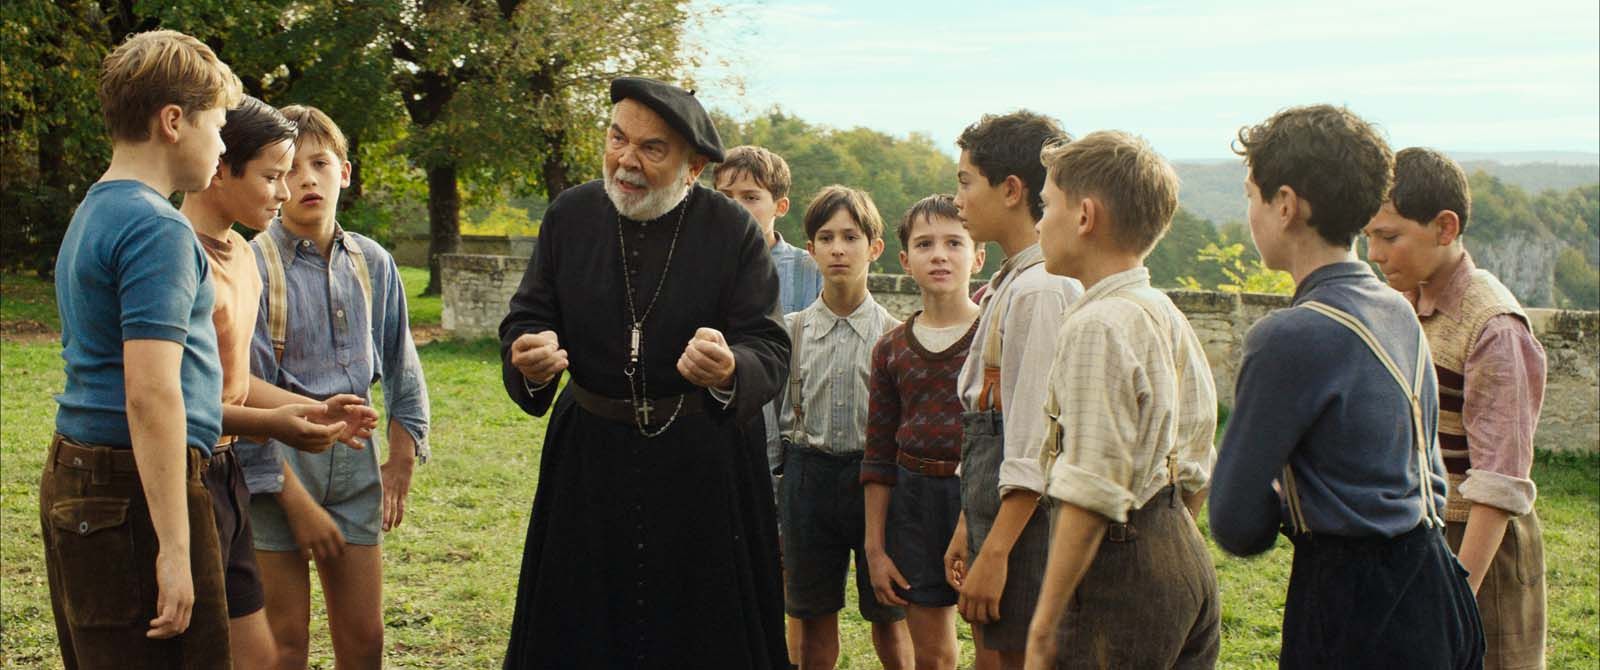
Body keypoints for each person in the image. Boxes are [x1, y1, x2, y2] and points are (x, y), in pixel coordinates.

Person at [498, 77, 790, 668]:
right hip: (589, 461)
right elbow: (527, 316)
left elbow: (768, 345)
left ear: (694, 168)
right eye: (617, 138)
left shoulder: (732, 230)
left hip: (702, 465)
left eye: (651, 148)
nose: (626, 160)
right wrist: (530, 355)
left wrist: (730, 368)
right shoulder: (570, 215)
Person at [1208, 104, 1484, 669]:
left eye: (1252, 196)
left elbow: (1236, 523)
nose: (1250, 212)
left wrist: (1289, 502)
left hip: (1353, 608)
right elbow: (1426, 478)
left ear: (1286, 205)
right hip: (1437, 586)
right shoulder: (1398, 310)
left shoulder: (1288, 336)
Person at [42, 29, 240, 669]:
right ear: (173, 121)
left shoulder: (96, 210)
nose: (223, 146)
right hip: (134, 489)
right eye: (218, 126)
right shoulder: (157, 227)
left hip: (85, 479)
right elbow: (151, 393)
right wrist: (174, 550)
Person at [177, 95, 382, 669]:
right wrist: (285, 433)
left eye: (311, 167)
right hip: (212, 468)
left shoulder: (245, 256)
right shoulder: (193, 249)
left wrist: (321, 413)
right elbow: (178, 397)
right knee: (266, 647)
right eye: (276, 175)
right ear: (224, 167)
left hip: (264, 463)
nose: (291, 188)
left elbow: (235, 385)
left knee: (309, 646)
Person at [240, 104, 431, 669]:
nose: (306, 180)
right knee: (284, 642)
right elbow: (242, 394)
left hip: (354, 465)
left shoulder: (372, 261)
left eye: (320, 164)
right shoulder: (253, 264)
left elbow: (401, 363)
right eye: (289, 168)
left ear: (344, 172)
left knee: (365, 638)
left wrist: (401, 459)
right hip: (275, 465)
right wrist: (294, 500)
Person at [1022, 131, 1220, 669]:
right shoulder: (1162, 309)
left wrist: (1043, 626)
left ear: (1085, 216)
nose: (1039, 223)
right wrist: (1165, 541)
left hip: (1116, 571)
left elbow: (1091, 486)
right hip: (1178, 550)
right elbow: (1200, 454)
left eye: (1046, 205)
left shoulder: (1099, 325)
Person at [1365, 147, 1548, 669]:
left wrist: (1458, 593)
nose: (1374, 253)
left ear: (1445, 227)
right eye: (1368, 235)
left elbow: (1499, 484)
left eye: (1389, 237)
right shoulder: (1405, 303)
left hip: (1479, 547)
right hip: (1420, 535)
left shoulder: (1494, 327)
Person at [942, 111, 1079, 670]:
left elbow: (1032, 442)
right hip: (992, 503)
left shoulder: (1040, 289)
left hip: (1022, 525)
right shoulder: (1012, 281)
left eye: (966, 181)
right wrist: (966, 525)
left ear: (1012, 190)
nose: (958, 199)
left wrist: (996, 552)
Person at [776, 185, 912, 669]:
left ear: (874, 248)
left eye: (851, 237)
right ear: (810, 249)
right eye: (826, 237)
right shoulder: (790, 330)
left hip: (877, 482)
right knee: (812, 618)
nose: (838, 249)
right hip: (806, 479)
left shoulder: (896, 336)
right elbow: (774, 421)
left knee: (890, 615)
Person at [860, 194, 985, 670]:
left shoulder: (994, 337)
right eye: (925, 244)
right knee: (932, 654)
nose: (939, 255)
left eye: (954, 243)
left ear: (977, 257)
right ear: (904, 259)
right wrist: (875, 548)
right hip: (912, 503)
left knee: (993, 645)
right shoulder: (890, 348)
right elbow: (878, 454)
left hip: (979, 497)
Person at [712, 143, 823, 667]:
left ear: (779, 205)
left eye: (750, 197)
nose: (737, 207)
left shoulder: (807, 270)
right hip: (722, 432)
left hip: (790, 438)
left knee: (787, 569)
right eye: (726, 195)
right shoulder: (700, 261)